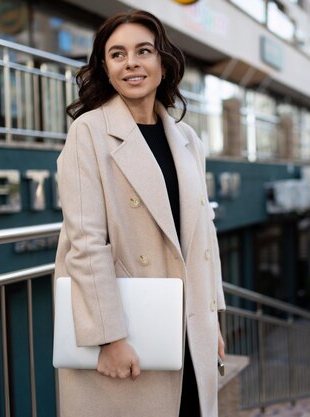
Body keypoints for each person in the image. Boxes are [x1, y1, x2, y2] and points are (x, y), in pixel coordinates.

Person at [54, 10, 226, 417]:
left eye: (143, 51)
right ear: (106, 69)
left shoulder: (187, 139)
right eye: (117, 54)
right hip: (129, 332)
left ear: (163, 64)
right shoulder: (89, 132)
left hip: (188, 327)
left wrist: (212, 317)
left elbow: (205, 238)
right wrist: (109, 337)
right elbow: (86, 242)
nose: (131, 62)